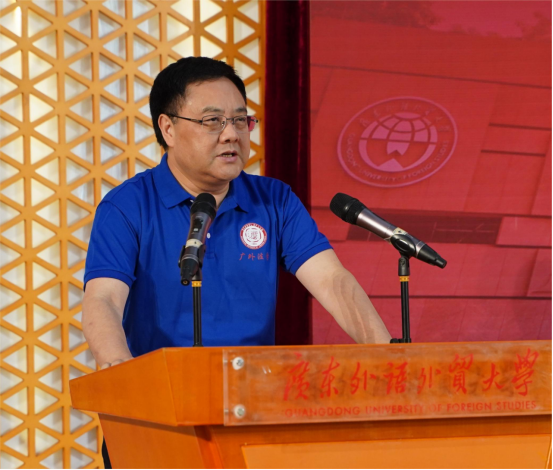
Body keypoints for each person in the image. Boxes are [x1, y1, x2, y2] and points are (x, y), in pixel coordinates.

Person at [83, 56, 390, 368]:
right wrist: (118, 366)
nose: (231, 134)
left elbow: (333, 281)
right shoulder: (127, 206)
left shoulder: (274, 200)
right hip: (163, 389)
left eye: (240, 120)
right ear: (168, 129)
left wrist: (389, 357)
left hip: (256, 388)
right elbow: (104, 299)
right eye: (212, 121)